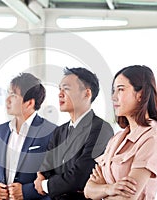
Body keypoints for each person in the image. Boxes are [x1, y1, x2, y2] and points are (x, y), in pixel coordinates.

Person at [84, 65, 157, 200]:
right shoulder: (116, 139)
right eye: (114, 91)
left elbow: (127, 198)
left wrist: (101, 192)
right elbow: (88, 190)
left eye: (121, 90)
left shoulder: (153, 139)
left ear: (141, 94)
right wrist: (109, 188)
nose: (114, 97)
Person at [34, 67, 114, 200]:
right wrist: (42, 177)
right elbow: (46, 165)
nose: (60, 94)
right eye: (60, 89)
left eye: (66, 89)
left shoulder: (101, 129)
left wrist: (44, 185)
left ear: (87, 94)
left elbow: (80, 176)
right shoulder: (59, 131)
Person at [0, 73, 57, 200]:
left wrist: (26, 191)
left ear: (29, 103)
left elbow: (58, 177)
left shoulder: (51, 132)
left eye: (13, 95)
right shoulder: (0, 132)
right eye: (8, 93)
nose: (7, 99)